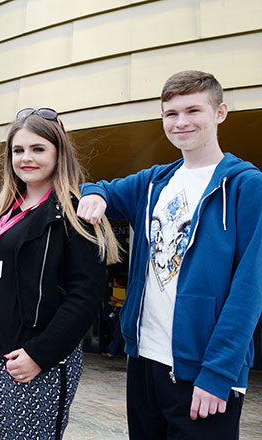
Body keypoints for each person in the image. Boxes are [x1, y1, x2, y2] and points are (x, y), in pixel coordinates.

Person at [77, 70, 262, 439]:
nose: (181, 122)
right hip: (145, 361)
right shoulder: (155, 181)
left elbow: (250, 290)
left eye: (193, 110)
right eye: (170, 113)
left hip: (202, 372)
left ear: (220, 112)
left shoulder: (247, 186)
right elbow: (101, 188)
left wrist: (219, 374)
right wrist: (94, 194)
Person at [0, 108, 121, 439]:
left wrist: (40, 354)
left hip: (30, 362)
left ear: (58, 153)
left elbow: (86, 297)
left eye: (38, 149)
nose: (27, 158)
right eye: (18, 150)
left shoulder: (76, 214)